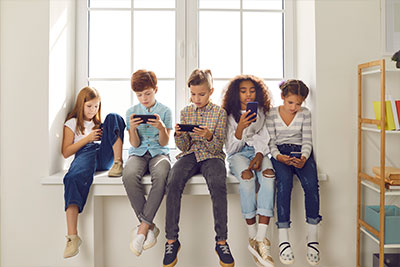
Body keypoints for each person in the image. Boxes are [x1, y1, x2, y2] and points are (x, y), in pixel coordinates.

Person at [162, 69, 234, 267]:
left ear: (210, 91)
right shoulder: (186, 112)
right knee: (173, 181)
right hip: (190, 154)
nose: (197, 98)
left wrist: (208, 135)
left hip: (212, 156)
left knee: (218, 184)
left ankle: (222, 241)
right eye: (193, 94)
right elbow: (184, 147)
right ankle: (171, 240)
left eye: (201, 94)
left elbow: (218, 146)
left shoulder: (220, 113)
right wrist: (179, 135)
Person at [62, 86, 125, 258]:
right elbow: (66, 152)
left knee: (114, 117)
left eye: (96, 106)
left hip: (104, 155)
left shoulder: (100, 123)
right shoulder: (72, 123)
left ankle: (119, 163)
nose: (93, 110)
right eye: (89, 106)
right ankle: (72, 236)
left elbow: (111, 135)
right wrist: (88, 138)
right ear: (81, 104)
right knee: (72, 178)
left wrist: (100, 136)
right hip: (86, 151)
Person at [266, 80, 322, 266]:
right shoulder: (272, 114)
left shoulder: (305, 114)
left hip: (300, 153)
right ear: (283, 97)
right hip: (279, 154)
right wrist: (278, 157)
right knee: (284, 184)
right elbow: (271, 142)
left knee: (311, 185)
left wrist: (304, 157)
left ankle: (313, 239)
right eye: (291, 103)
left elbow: (307, 140)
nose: (294, 107)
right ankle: (284, 239)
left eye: (298, 104)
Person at [222, 74, 275, 267]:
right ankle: (252, 235)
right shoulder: (229, 115)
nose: (248, 95)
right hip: (238, 154)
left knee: (269, 176)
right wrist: (240, 128)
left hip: (260, 152)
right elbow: (231, 148)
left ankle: (261, 238)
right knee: (247, 178)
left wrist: (260, 155)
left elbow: (264, 136)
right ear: (237, 94)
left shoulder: (261, 112)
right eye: (243, 91)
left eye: (252, 90)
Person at [122, 70, 172, 256]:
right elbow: (134, 144)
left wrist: (161, 128)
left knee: (162, 174)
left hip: (159, 153)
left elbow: (164, 143)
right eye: (139, 95)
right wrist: (133, 130)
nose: (144, 98)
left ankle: (142, 229)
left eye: (148, 93)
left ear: (155, 90)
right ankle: (149, 225)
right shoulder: (131, 112)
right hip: (138, 153)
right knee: (128, 175)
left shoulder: (165, 111)